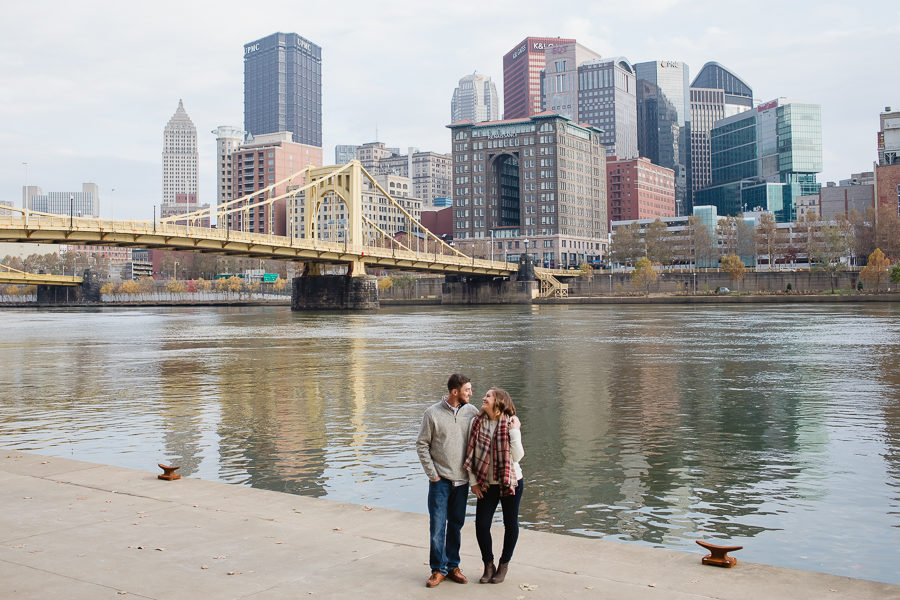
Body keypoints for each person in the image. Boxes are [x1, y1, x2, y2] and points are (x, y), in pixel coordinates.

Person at [416, 373, 480, 588]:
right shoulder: (432, 413)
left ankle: (453, 566)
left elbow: (488, 427)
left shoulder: (472, 412)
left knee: (456, 526)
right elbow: (422, 444)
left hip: (462, 482)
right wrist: (432, 475)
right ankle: (438, 569)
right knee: (437, 527)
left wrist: (512, 422)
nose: (471, 393)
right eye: (467, 390)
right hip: (440, 481)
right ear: (455, 393)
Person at [464, 387, 524, 584]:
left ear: (499, 401)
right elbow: (470, 454)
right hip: (486, 484)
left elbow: (518, 456)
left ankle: (503, 565)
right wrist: (474, 483)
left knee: (511, 524)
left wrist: (515, 433)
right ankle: (488, 564)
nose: (484, 398)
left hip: (510, 482)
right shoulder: (477, 422)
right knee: (481, 525)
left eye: (488, 396)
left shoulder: (510, 422)